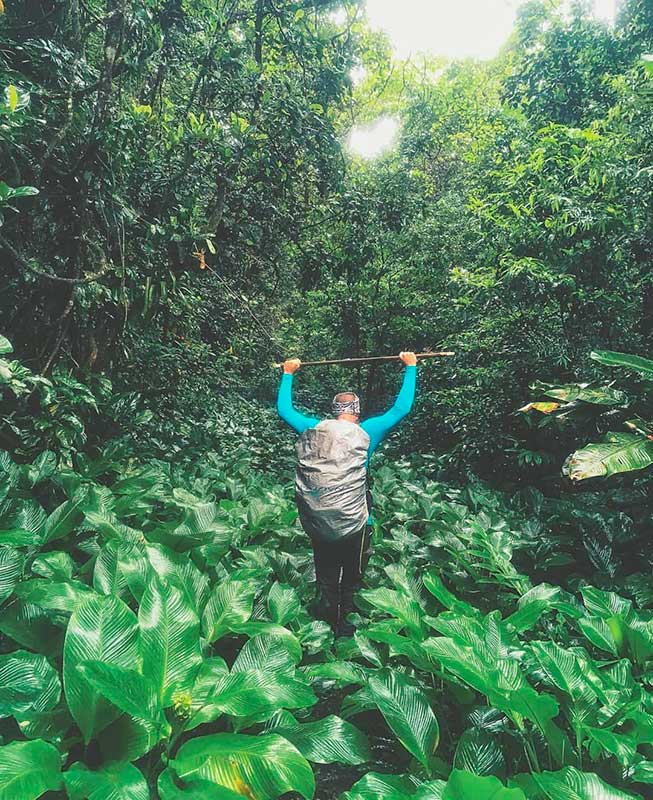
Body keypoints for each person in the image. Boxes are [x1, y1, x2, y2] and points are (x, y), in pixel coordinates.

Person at [277, 352, 417, 637]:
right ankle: (347, 634)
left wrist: (289, 373)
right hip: (357, 523)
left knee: (327, 578)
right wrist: (411, 367)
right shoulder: (367, 431)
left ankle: (322, 631)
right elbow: (401, 409)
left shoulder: (313, 429)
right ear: (357, 410)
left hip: (320, 520)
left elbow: (285, 410)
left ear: (333, 410)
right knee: (352, 580)